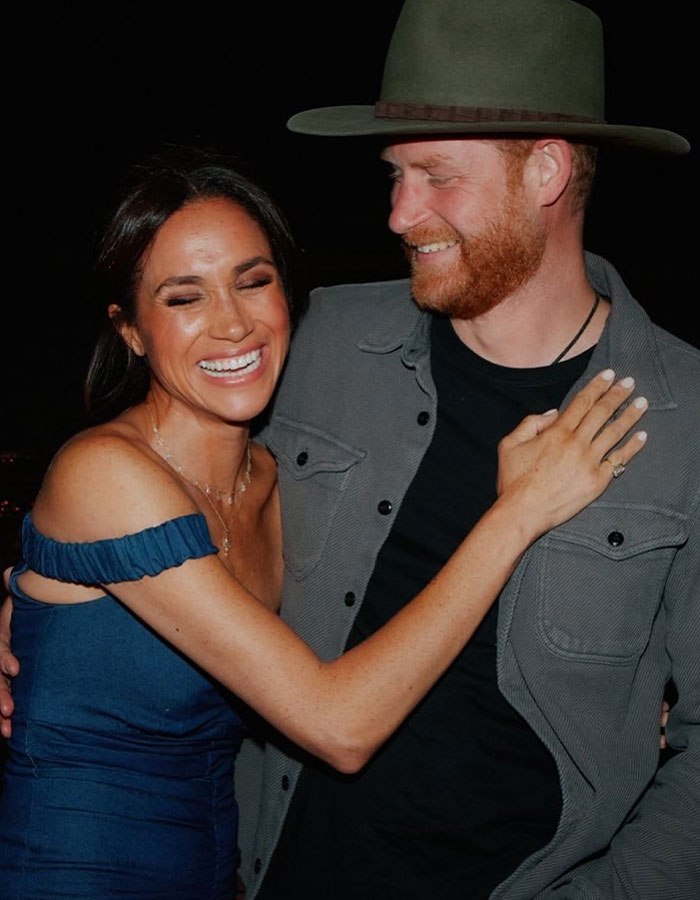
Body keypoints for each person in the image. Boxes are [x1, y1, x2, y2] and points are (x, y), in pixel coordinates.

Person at [0, 151, 646, 900]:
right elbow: (338, 726)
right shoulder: (105, 474)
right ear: (132, 331)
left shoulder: (277, 481)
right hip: (73, 874)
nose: (233, 323)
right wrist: (516, 514)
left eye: (254, 281)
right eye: (184, 298)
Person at [228, 2, 698, 899]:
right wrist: (64, 603)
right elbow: (180, 489)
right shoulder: (323, 336)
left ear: (548, 172)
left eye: (437, 176)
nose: (403, 214)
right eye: (396, 175)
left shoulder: (688, 422)